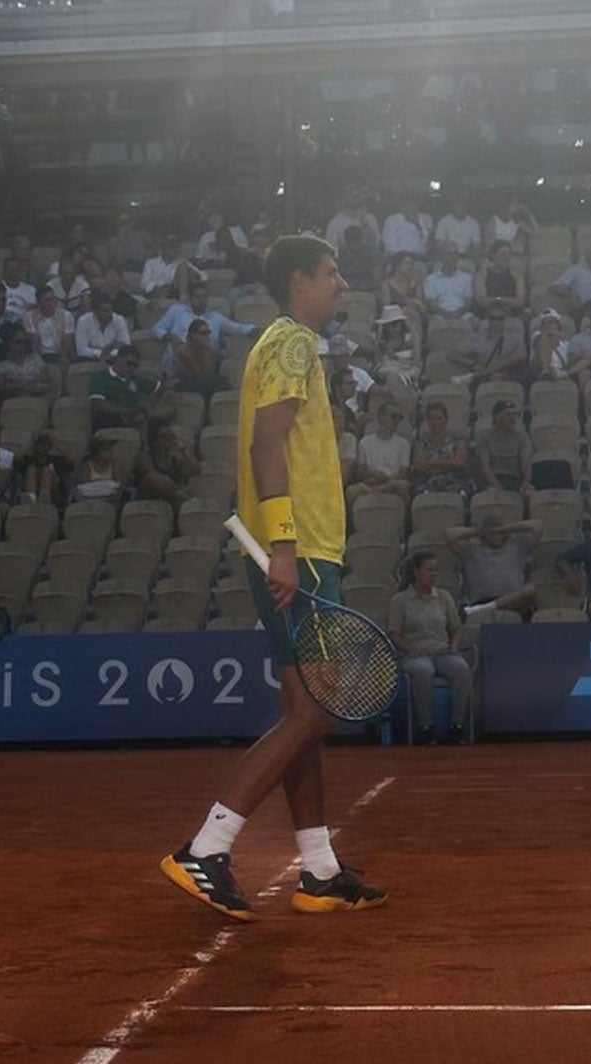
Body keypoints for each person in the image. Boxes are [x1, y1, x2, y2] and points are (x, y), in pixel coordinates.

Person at [161, 234, 387, 921]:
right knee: (318, 710)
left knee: (303, 715)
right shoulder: (292, 342)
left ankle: (318, 869)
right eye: (331, 272)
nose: (340, 283)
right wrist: (286, 543)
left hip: (297, 546)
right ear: (298, 280)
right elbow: (267, 444)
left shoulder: (277, 343)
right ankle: (207, 846)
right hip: (301, 548)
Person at [388, 551, 472, 744]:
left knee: (461, 669)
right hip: (415, 654)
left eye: (436, 570)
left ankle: (457, 725)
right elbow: (394, 633)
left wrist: (453, 646)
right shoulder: (400, 600)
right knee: (423, 671)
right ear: (416, 572)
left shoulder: (444, 597)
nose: (434, 574)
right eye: (429, 570)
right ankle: (426, 726)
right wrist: (409, 649)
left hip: (442, 651)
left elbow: (455, 627)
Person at [447, 512, 544, 616]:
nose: (497, 536)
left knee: (530, 590)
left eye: (500, 533)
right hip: (480, 601)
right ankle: (483, 609)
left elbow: (538, 526)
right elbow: (450, 535)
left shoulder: (518, 545)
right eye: (492, 534)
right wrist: (481, 530)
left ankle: (484, 609)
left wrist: (507, 527)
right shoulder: (470, 549)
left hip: (514, 602)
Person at [474, 399, 533, 497]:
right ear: (496, 418)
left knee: (529, 494)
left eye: (514, 414)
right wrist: (500, 488)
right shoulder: (484, 437)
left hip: (515, 480)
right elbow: (485, 467)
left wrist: (525, 483)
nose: (512, 418)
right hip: (492, 481)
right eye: (508, 414)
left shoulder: (522, 437)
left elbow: (526, 464)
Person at [411, 401, 469, 494]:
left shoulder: (458, 437)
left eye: (439, 418)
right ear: (427, 420)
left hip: (454, 479)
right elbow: (419, 465)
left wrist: (433, 462)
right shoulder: (421, 439)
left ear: (446, 420)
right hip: (426, 480)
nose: (434, 422)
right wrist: (447, 464)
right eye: (431, 418)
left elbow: (460, 462)